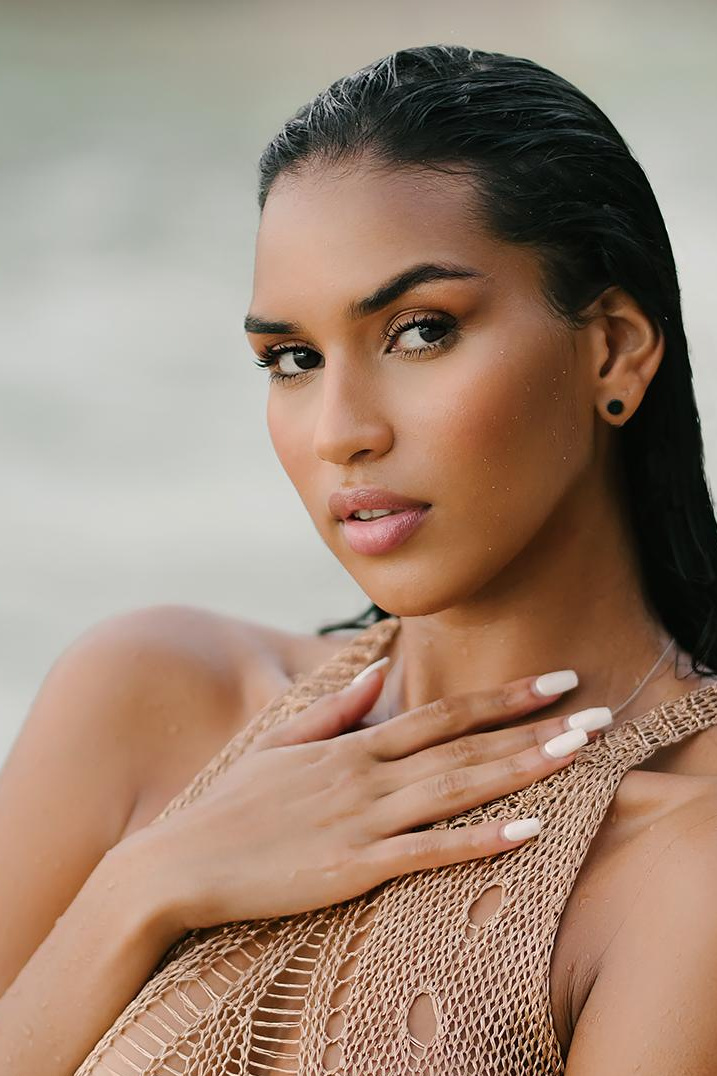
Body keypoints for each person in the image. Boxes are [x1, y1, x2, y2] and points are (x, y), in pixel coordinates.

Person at [2, 43, 717, 1075]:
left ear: (611, 348)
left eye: (420, 332)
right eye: (293, 358)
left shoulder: (685, 860)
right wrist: (146, 884)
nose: (341, 430)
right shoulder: (146, 697)